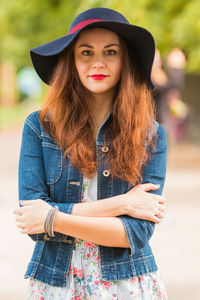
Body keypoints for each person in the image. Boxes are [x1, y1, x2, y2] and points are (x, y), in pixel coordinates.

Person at [13, 7, 168, 299]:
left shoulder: (151, 134)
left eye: (110, 52)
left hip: (127, 285)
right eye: (86, 53)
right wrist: (123, 203)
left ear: (126, 62)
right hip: (56, 284)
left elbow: (134, 234)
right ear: (71, 61)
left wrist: (52, 218)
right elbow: (33, 223)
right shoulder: (39, 127)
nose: (98, 63)